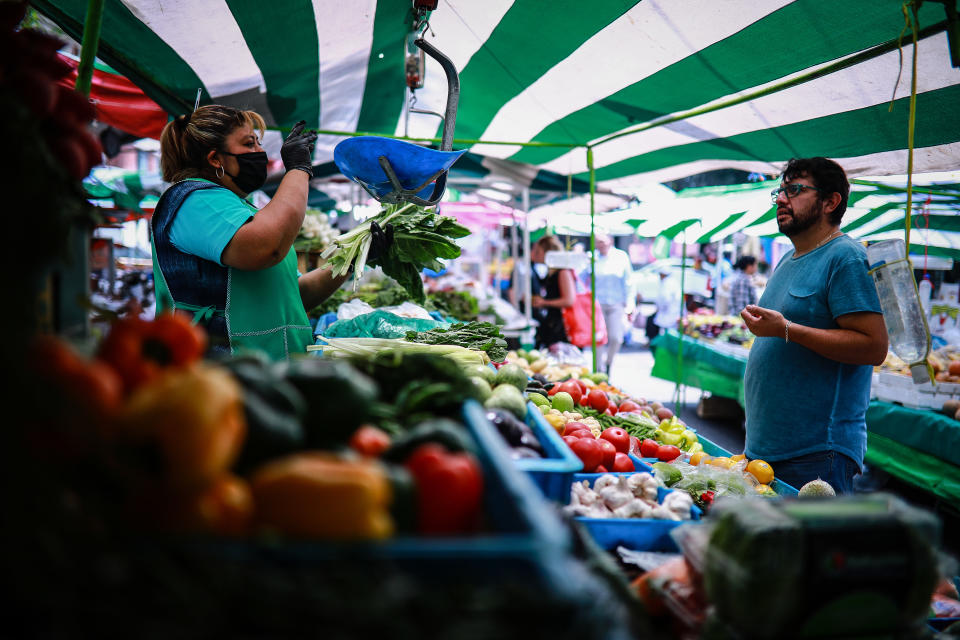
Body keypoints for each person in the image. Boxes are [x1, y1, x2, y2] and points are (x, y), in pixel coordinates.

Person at [153, 105, 391, 360]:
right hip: (224, 376)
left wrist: (352, 258)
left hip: (271, 374)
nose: (260, 152)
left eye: (258, 142)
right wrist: (298, 169)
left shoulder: (240, 209)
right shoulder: (193, 201)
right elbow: (268, 246)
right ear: (215, 159)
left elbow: (293, 294)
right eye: (249, 143)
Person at [740, 157, 887, 494]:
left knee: (812, 547)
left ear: (830, 202)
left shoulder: (846, 257)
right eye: (780, 191)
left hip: (817, 454)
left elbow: (874, 347)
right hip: (766, 450)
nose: (780, 199)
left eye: (794, 190)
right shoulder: (787, 259)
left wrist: (786, 330)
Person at [592, 233, 633, 374]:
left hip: (616, 304)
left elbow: (629, 283)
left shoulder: (621, 257)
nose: (600, 244)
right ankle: (598, 369)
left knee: (616, 337)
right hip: (597, 305)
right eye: (597, 242)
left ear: (610, 241)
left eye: (602, 241)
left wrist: (630, 306)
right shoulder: (592, 258)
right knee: (598, 339)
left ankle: (608, 363)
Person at [530, 235, 576, 349]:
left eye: (538, 251)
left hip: (562, 328)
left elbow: (569, 300)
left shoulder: (562, 272)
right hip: (554, 325)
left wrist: (544, 303)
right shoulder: (552, 271)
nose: (535, 254)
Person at [646, 266, 682, 341]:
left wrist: (660, 308)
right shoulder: (672, 282)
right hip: (670, 311)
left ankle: (654, 341)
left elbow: (665, 299)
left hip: (668, 311)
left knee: (656, 324)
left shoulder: (667, 283)